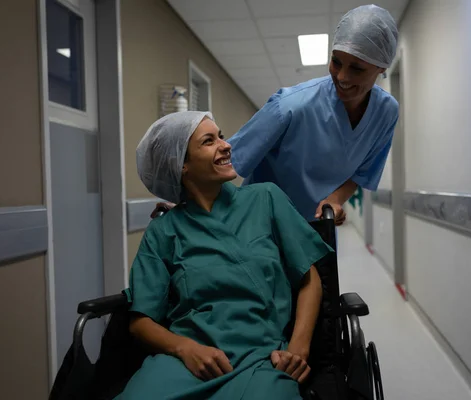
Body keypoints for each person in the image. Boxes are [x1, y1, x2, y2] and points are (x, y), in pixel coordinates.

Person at [118, 111, 332, 400]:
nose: (226, 144)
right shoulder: (163, 231)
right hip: (189, 360)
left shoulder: (266, 199)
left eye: (221, 135)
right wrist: (186, 349)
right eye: (209, 141)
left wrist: (298, 348)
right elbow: (141, 321)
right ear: (182, 165)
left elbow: (309, 279)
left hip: (262, 355)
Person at [152, 5, 399, 226]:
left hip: (316, 226)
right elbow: (229, 158)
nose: (342, 77)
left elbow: (363, 172)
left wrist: (334, 200)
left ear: (382, 67)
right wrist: (184, 204)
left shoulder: (386, 112)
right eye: (336, 62)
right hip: (261, 223)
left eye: (357, 68)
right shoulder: (290, 106)